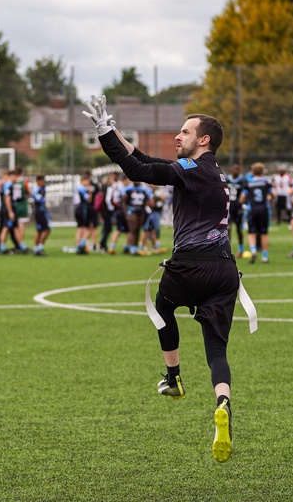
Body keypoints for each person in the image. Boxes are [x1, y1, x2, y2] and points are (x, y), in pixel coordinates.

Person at [84, 95, 239, 463]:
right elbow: (148, 160)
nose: (177, 136)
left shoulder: (193, 169)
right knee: (216, 350)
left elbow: (138, 171)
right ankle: (223, 402)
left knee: (163, 306)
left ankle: (173, 377)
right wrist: (112, 128)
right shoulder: (211, 171)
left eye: (185, 131)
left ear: (204, 140)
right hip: (224, 269)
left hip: (190, 266)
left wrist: (103, 133)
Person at [239, 163, 272, 263]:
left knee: (251, 233)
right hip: (264, 210)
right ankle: (265, 257)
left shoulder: (249, 183)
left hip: (252, 210)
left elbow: (242, 198)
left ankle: (253, 250)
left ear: (252, 172)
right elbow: (272, 194)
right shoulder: (266, 182)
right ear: (262, 171)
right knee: (264, 233)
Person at [122, 179, 152, 255]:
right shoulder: (128, 189)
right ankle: (131, 247)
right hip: (132, 211)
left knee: (138, 229)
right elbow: (123, 202)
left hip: (141, 211)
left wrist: (146, 208)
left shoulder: (144, 190)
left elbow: (147, 200)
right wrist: (126, 213)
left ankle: (134, 247)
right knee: (133, 229)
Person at [226, 163, 246, 256]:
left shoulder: (242, 181)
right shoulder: (227, 179)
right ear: (231, 169)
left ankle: (241, 249)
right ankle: (227, 250)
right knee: (228, 229)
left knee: (239, 229)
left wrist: (242, 204)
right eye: (234, 169)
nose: (236, 171)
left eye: (238, 169)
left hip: (238, 208)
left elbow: (245, 194)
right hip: (228, 207)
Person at [73, 172, 93, 254]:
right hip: (82, 208)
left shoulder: (77, 188)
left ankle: (78, 246)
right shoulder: (83, 189)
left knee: (80, 228)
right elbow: (88, 199)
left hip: (77, 208)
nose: (88, 183)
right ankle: (81, 245)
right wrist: (90, 192)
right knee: (88, 228)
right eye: (87, 181)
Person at [32, 175, 51, 256]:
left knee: (39, 230)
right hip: (39, 212)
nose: (43, 183)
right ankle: (39, 248)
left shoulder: (41, 189)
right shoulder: (37, 189)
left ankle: (36, 248)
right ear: (38, 181)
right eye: (42, 181)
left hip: (40, 211)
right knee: (47, 229)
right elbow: (39, 199)